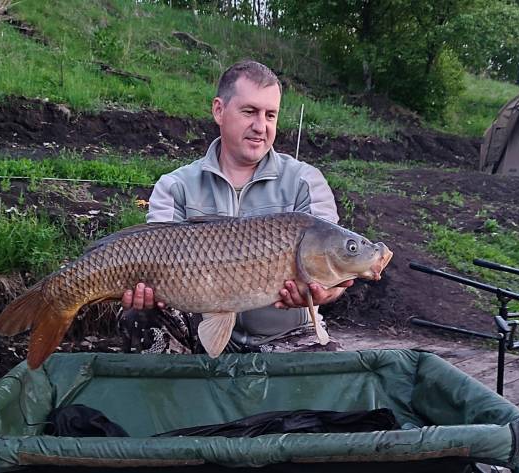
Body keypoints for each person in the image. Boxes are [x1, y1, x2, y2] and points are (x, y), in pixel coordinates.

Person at [117, 60, 352, 355]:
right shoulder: (176, 185)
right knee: (137, 315)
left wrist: (330, 291)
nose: (260, 126)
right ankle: (176, 395)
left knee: (324, 380)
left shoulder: (305, 181)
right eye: (249, 112)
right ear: (219, 110)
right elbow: (149, 259)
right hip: (199, 326)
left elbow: (334, 262)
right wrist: (145, 291)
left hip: (286, 335)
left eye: (270, 115)